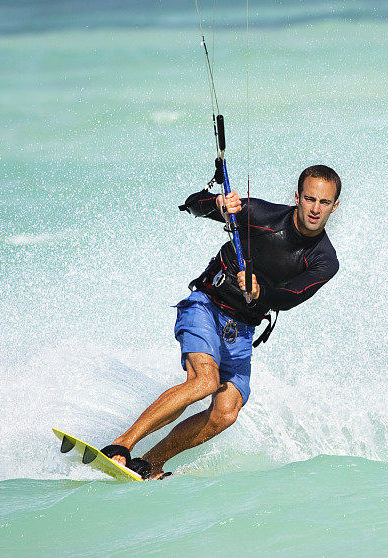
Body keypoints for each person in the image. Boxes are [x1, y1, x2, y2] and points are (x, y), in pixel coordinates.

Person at [101, 165, 341, 479]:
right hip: (206, 306)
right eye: (310, 199)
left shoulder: (325, 259)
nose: (315, 208)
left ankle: (149, 463)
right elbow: (192, 204)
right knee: (204, 382)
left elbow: (290, 297)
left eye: (324, 203)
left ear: (334, 206)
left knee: (227, 411)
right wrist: (215, 204)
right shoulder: (258, 214)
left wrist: (260, 291)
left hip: (241, 330)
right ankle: (120, 445)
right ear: (297, 197)